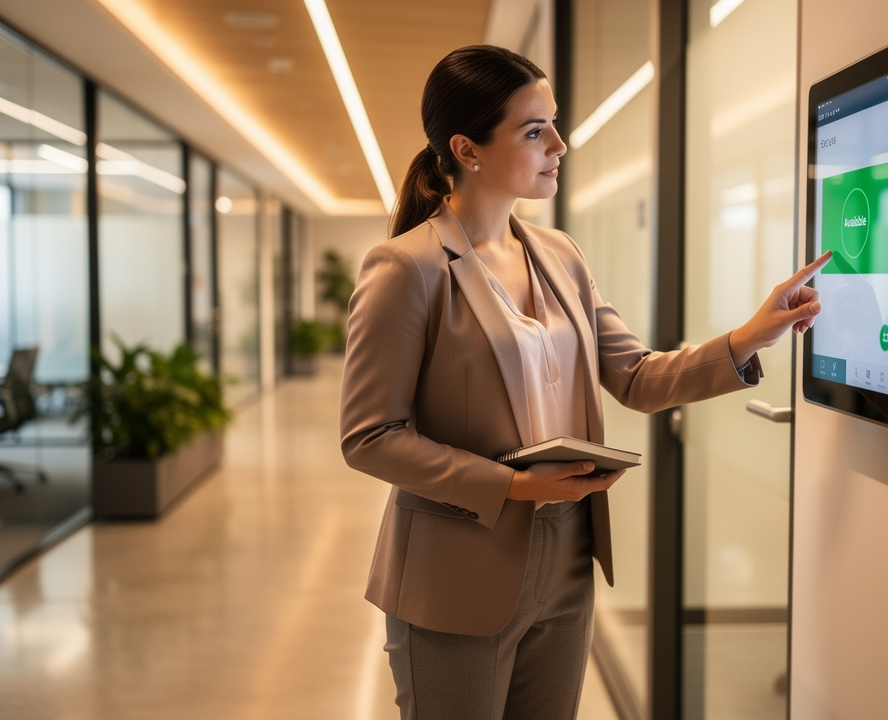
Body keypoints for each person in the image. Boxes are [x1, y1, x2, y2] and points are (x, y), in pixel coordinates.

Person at [340, 44, 830, 720]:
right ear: (468, 148)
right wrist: (513, 484)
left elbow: (635, 376)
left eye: (555, 124)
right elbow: (370, 437)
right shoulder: (406, 268)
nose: (560, 145)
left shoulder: (559, 253)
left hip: (567, 555)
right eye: (535, 130)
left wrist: (749, 336)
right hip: (455, 567)